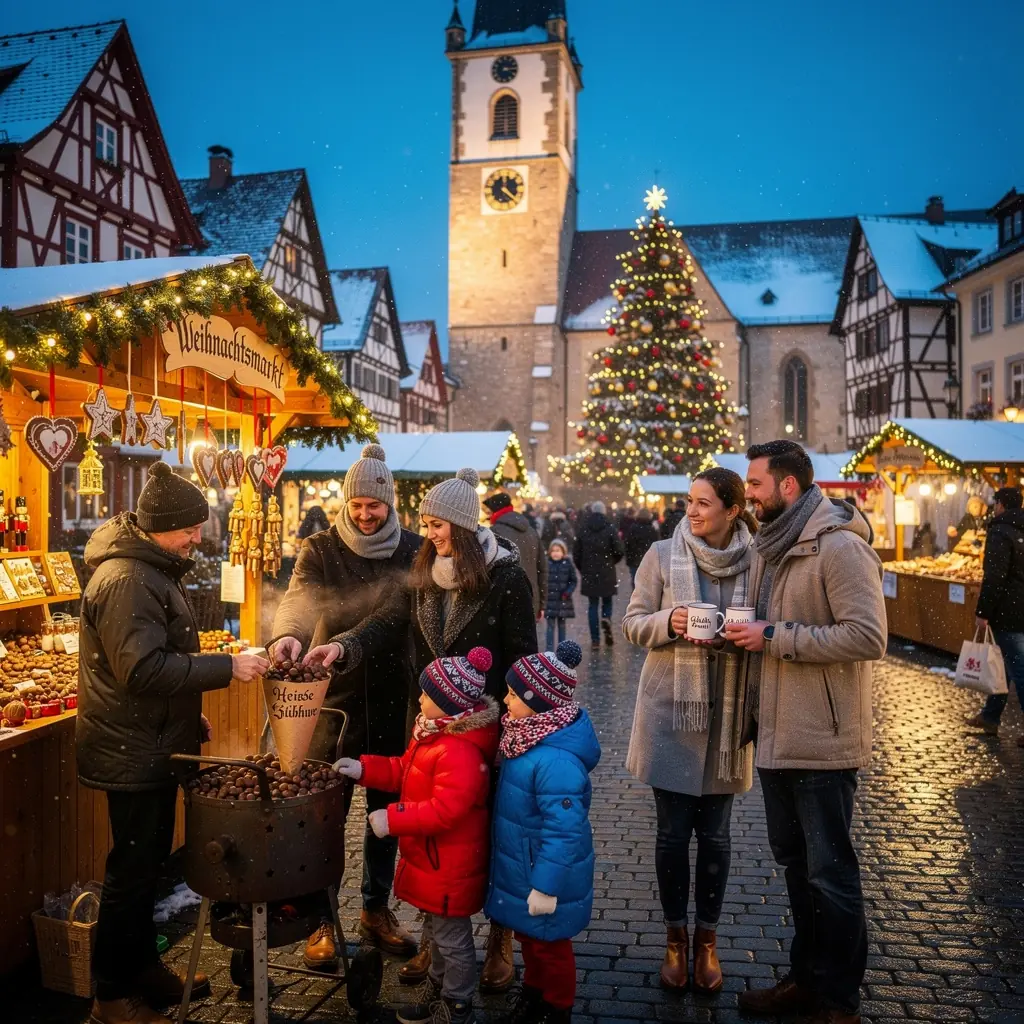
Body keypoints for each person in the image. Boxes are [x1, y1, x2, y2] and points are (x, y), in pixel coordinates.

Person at [306, 466, 537, 992]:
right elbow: (388, 619)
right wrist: (343, 646)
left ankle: (500, 938)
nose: (428, 534)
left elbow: (523, 656)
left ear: (462, 524)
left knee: (495, 832)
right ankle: (438, 938)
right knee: (439, 838)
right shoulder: (425, 569)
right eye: (426, 524)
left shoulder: (505, 578)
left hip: (487, 725)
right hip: (432, 723)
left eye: (437, 525)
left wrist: (516, 725)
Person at [77, 464, 269, 1024]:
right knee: (131, 874)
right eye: (188, 528)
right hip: (131, 751)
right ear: (159, 526)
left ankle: (142, 970)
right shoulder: (127, 580)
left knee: (146, 868)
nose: (196, 538)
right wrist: (227, 667)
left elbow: (151, 665)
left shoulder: (150, 569)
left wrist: (187, 715)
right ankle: (112, 997)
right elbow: (141, 670)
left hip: (150, 741)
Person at [726, 440, 886, 1024]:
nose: (749, 494)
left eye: (756, 484)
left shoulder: (839, 546)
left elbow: (868, 636)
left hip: (822, 737)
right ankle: (805, 979)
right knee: (798, 868)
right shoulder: (771, 544)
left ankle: (839, 1001)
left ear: (787, 486)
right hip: (776, 733)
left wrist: (775, 637)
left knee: (831, 874)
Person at [270, 444, 423, 966]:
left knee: (386, 813)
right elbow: (298, 598)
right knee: (323, 815)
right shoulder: (320, 547)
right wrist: (286, 636)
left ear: (389, 502)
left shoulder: (413, 549)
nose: (363, 513)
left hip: (394, 695)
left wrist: (344, 645)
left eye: (373, 505)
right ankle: (321, 917)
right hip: (332, 702)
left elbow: (393, 617)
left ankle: (375, 910)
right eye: (356, 504)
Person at [622, 468, 757, 994]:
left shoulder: (759, 559)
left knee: (717, 837)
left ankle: (707, 942)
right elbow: (633, 623)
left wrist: (747, 634)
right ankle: (675, 939)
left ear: (732, 510)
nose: (692, 511)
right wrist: (669, 622)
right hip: (671, 713)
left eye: (703, 503)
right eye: (689, 501)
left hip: (728, 716)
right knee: (673, 835)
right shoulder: (661, 554)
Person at [334, 648, 500, 1024]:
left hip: (450, 866)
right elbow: (403, 771)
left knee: (452, 941)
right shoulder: (432, 735)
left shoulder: (458, 751)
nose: (419, 698)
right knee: (436, 934)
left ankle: (457, 1004)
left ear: (448, 703)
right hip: (434, 862)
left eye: (426, 693)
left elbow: (445, 810)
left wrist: (393, 818)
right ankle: (437, 990)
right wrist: (364, 769)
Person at [485, 641, 600, 1024]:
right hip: (526, 867)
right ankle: (535, 997)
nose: (505, 700)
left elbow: (565, 832)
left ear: (539, 702)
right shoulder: (524, 736)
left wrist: (547, 886)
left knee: (550, 946)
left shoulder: (555, 760)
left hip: (546, 876)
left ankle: (557, 1008)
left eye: (513, 694)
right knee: (531, 939)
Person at [966, 486, 1024, 746]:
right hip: (1019, 607)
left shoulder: (1001, 531)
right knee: (1005, 665)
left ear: (1000, 504)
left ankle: (991, 716)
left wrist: (983, 611)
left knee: (1018, 668)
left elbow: (995, 576)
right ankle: (990, 716)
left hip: (1009, 611)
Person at [485, 492, 548, 620]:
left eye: (489, 512)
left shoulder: (494, 533)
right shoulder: (531, 531)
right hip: (531, 598)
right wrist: (541, 603)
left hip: (504, 601)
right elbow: (542, 569)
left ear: (495, 511)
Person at [572, 501, 625, 649]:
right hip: (607, 570)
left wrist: (583, 567)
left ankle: (595, 640)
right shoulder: (610, 528)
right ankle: (606, 618)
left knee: (592, 605)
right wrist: (611, 562)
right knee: (607, 601)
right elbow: (619, 550)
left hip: (589, 571)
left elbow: (576, 553)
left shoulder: (583, 528)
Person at [544, 539, 577, 649]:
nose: (555, 553)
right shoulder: (546, 564)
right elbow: (543, 581)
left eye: (558, 550)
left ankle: (561, 649)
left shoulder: (567, 564)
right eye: (553, 551)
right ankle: (549, 650)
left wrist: (567, 592)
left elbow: (573, 580)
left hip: (563, 601)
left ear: (563, 552)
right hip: (549, 601)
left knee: (562, 626)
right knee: (550, 626)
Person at [623, 507, 659, 585]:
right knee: (648, 584)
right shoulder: (652, 530)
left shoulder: (633, 528)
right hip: (649, 561)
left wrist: (629, 559)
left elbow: (627, 544)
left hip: (634, 561)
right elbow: (657, 545)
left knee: (636, 583)